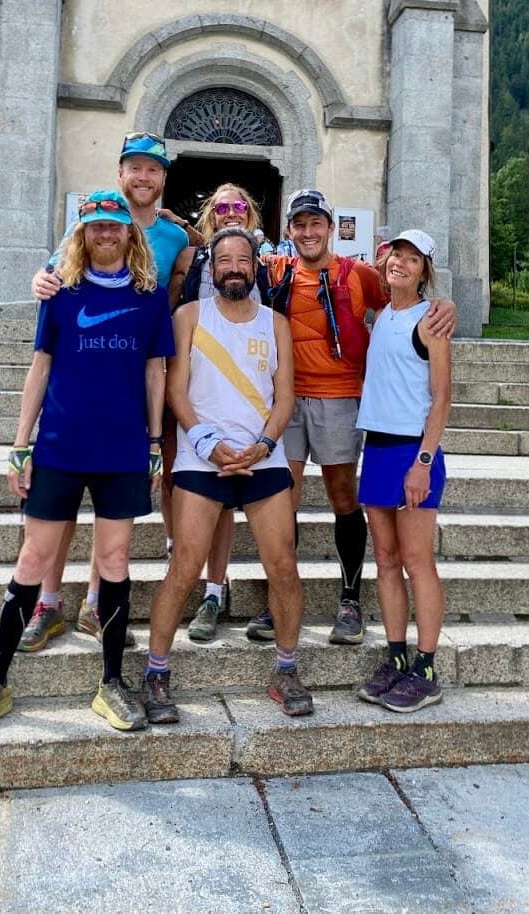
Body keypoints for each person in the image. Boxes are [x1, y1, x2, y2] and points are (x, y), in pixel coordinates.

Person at [0, 190, 174, 734]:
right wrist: (19, 443)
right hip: (59, 446)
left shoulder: (150, 298)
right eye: (94, 226)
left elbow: (155, 373)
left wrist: (151, 443)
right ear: (82, 233)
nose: (105, 233)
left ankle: (112, 683)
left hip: (123, 450)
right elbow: (41, 367)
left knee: (116, 561)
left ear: (129, 233)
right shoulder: (61, 293)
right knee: (33, 560)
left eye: (114, 226)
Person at [250, 189, 456, 646]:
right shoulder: (277, 271)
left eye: (316, 223)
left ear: (329, 227)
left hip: (339, 398)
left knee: (343, 496)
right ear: (288, 231)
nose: (308, 232)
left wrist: (447, 304)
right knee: (283, 500)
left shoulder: (358, 274)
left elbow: (407, 296)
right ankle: (279, 599)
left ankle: (350, 600)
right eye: (299, 225)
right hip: (286, 400)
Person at [22, 132, 193, 651]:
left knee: (112, 511)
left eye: (154, 170)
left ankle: (96, 603)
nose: (143, 178)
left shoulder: (176, 238)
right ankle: (48, 603)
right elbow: (54, 272)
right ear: (120, 174)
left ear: (164, 180)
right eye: (134, 168)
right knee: (60, 506)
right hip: (75, 373)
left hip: (134, 377)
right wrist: (37, 280)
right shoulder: (92, 222)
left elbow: (179, 292)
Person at [142, 226, 313, 722]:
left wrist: (263, 444)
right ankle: (156, 672)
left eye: (243, 259)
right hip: (203, 457)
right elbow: (177, 390)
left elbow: (286, 397)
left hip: (264, 457)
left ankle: (286, 668)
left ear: (255, 266)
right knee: (185, 567)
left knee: (282, 565)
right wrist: (207, 444)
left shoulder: (275, 323)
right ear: (211, 268)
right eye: (224, 260)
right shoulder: (189, 316)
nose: (234, 267)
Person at [166, 184, 271, 642]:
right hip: (192, 394)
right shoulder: (189, 258)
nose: (231, 213)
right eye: (222, 207)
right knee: (179, 478)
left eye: (239, 207)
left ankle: (213, 591)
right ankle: (179, 553)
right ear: (209, 215)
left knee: (226, 500)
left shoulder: (268, 263)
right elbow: (165, 307)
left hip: (244, 402)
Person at [355, 229, 450, 713]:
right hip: (377, 448)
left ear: (424, 271)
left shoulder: (430, 320)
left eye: (413, 260)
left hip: (415, 452)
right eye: (397, 255)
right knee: (387, 561)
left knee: (417, 562)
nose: (402, 264)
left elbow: (442, 397)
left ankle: (427, 669)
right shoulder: (380, 313)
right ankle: (395, 657)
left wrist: (424, 464)